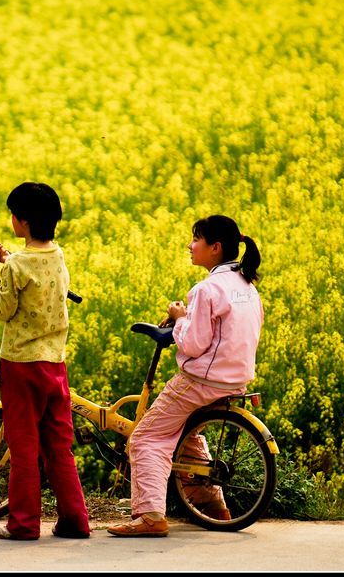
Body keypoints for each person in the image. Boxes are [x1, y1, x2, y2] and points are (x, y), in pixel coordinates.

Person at [107, 215, 263, 538]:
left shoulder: (207, 289)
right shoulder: (246, 286)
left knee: (146, 437)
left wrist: (179, 318)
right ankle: (213, 507)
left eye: (196, 240)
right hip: (235, 379)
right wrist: (188, 317)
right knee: (185, 433)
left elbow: (192, 343)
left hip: (202, 382)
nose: (190, 246)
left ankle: (150, 516)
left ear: (215, 248)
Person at [0, 182, 91, 541]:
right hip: (54, 364)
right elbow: (36, 270)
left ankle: (24, 524)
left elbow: (3, 309)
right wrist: (10, 261)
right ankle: (75, 521)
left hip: (20, 365)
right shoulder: (58, 256)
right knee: (59, 446)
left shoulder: (16, 268)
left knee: (24, 447)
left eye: (13, 215)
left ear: (22, 221)